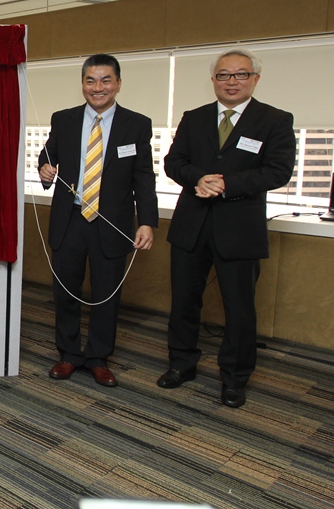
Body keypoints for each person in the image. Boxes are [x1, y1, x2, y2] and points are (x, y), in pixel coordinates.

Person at [158, 48, 295, 408]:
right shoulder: (194, 117)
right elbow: (174, 162)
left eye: (240, 74)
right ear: (214, 80)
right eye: (224, 75)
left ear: (255, 79)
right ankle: (181, 364)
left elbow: (278, 171)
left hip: (240, 227)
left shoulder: (275, 120)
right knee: (184, 302)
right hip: (192, 223)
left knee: (239, 308)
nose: (231, 81)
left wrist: (225, 184)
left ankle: (234, 378)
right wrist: (197, 178)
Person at [38, 53, 158, 388]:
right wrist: (45, 170)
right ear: (82, 84)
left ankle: (98, 358)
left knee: (107, 294)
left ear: (118, 83)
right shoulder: (63, 119)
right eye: (91, 80)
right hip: (70, 219)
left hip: (111, 222)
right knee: (66, 292)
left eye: (105, 80)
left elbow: (144, 177)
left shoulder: (137, 124)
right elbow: (47, 157)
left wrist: (147, 220)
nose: (98, 87)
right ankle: (68, 354)